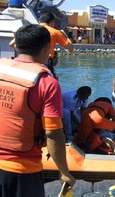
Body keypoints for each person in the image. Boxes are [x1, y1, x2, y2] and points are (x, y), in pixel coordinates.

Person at [0, 24, 75, 196]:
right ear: (47, 49)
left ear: (16, 46)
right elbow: (53, 134)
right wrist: (63, 172)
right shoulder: (47, 83)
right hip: (21, 170)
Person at [39, 11, 74, 76]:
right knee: (52, 83)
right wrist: (65, 35)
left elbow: (13, 45)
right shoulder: (54, 32)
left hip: (28, 62)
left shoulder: (29, 29)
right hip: (45, 62)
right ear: (52, 22)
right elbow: (70, 48)